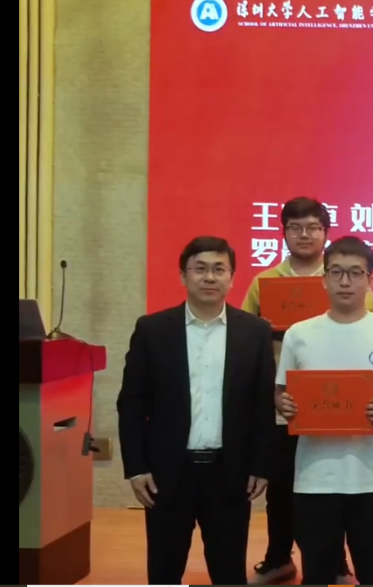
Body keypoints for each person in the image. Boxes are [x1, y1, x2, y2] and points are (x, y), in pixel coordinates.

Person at [116, 236, 276, 585]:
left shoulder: (255, 332)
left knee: (229, 571)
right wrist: (136, 467)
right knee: (164, 571)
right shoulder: (153, 329)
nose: (209, 277)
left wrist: (261, 465)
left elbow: (263, 405)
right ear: (183, 275)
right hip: (167, 474)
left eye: (219, 269)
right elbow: (131, 402)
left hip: (229, 473)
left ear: (232, 277)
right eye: (200, 268)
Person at [242, 197, 373, 585]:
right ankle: (279, 558)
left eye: (313, 227)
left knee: (335, 488)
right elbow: (246, 339)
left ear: (325, 233)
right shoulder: (264, 282)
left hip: (338, 403)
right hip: (285, 404)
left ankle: (336, 562)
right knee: (282, 486)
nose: (304, 234)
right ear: (283, 232)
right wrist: (265, 330)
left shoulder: (343, 277)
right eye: (295, 227)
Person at [274, 236, 373, 585]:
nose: (345, 281)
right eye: (336, 272)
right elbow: (281, 393)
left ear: (370, 280)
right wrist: (284, 403)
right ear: (323, 279)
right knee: (317, 576)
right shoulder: (299, 334)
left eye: (355, 273)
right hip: (315, 479)